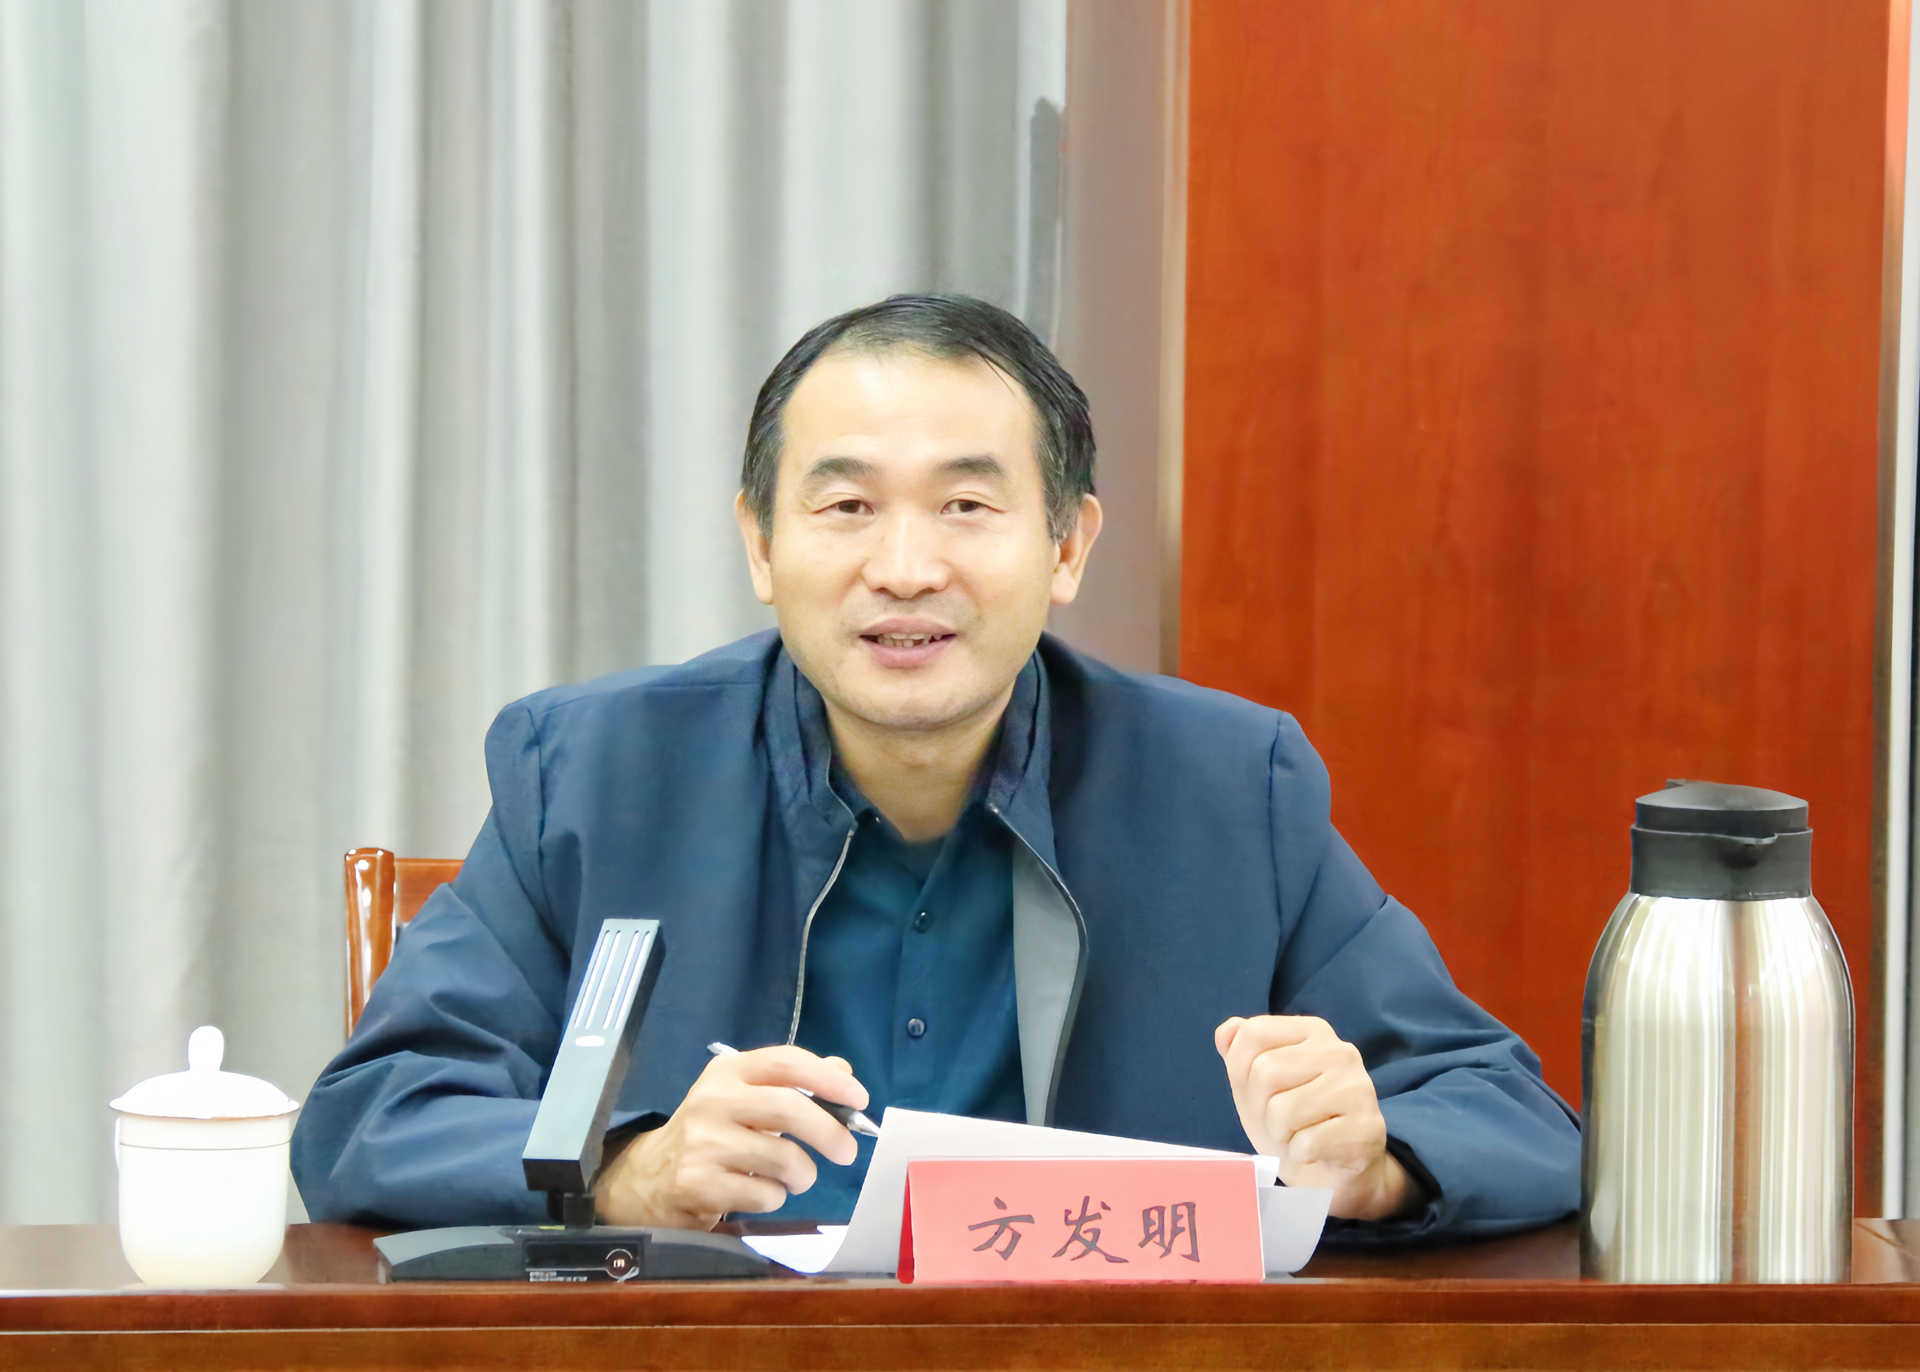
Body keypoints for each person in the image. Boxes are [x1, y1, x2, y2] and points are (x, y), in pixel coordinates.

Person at [292, 294, 1579, 1243]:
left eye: (967, 505)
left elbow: (1507, 1112)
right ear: (761, 544)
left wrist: (1375, 1164)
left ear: (1068, 546)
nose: (905, 569)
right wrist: (628, 1170)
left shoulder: (1231, 787)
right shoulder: (592, 773)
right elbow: (375, 1116)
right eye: (847, 506)